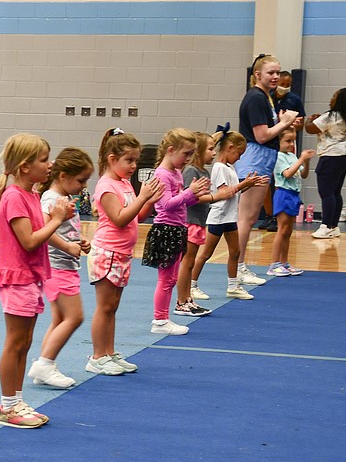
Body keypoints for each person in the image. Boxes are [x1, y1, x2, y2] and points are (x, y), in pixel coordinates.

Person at [0, 134, 74, 426]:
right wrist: (56, 219)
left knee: (25, 342)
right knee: (15, 342)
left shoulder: (31, 195)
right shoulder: (14, 196)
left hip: (30, 276)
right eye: (43, 160)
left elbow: (42, 234)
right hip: (17, 277)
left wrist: (59, 224)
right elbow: (28, 241)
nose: (49, 165)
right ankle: (7, 406)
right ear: (25, 167)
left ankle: (16, 400)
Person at [85, 128, 161, 377]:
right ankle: (97, 356)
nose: (133, 166)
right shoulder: (106, 187)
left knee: (113, 306)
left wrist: (148, 201)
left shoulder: (125, 183)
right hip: (107, 252)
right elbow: (118, 219)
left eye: (135, 160)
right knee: (104, 306)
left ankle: (109, 352)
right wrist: (143, 198)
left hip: (122, 253)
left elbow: (136, 217)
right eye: (129, 160)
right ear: (111, 159)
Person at [28, 147, 93, 389]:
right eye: (81, 180)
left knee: (59, 319)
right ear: (63, 176)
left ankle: (43, 363)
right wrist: (67, 246)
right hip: (57, 267)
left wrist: (78, 242)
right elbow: (43, 231)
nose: (84, 186)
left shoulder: (62, 198)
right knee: (75, 317)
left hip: (62, 264)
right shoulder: (51, 199)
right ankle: (46, 364)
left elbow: (61, 229)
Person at [234, 54, 300, 284]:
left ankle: (240, 265)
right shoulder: (255, 98)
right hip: (255, 158)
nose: (276, 77)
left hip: (263, 158)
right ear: (257, 74)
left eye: (278, 72)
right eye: (271, 73)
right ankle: (238, 267)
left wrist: (284, 122)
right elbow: (262, 136)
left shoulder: (266, 98)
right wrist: (283, 123)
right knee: (246, 217)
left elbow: (268, 130)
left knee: (249, 217)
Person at [142, 128, 210, 335]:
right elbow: (167, 205)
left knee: (171, 279)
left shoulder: (176, 173)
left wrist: (193, 195)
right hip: (166, 230)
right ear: (170, 150)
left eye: (191, 154)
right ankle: (160, 321)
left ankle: (163, 318)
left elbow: (180, 202)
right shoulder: (162, 174)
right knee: (166, 279)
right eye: (186, 154)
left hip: (177, 228)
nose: (188, 159)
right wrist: (190, 192)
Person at [191, 129, 270, 301]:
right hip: (219, 217)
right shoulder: (219, 168)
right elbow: (225, 193)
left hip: (230, 217)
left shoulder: (230, 167)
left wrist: (250, 184)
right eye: (239, 153)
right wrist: (244, 184)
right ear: (230, 148)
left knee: (235, 251)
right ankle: (192, 285)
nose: (240, 158)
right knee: (206, 253)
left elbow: (235, 193)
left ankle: (233, 286)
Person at [175, 132, 218, 316]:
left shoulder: (204, 171)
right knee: (187, 261)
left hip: (199, 221)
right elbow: (188, 196)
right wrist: (216, 197)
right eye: (210, 149)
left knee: (190, 262)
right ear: (199, 151)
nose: (214, 153)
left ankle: (187, 298)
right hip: (189, 221)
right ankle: (181, 301)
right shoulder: (191, 171)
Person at [307, 87, 346, 239]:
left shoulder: (331, 115)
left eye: (334, 97)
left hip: (332, 156)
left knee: (326, 192)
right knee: (335, 191)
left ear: (340, 101)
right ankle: (334, 226)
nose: (331, 99)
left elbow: (310, 129)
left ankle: (326, 226)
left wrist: (310, 120)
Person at [267, 129, 314, 277]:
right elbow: (287, 174)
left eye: (293, 141)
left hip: (294, 194)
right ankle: (274, 264)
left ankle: (284, 262)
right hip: (283, 194)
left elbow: (304, 174)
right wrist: (301, 159)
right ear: (278, 142)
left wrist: (305, 163)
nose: (291, 144)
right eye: (287, 141)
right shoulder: (279, 157)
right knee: (282, 229)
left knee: (288, 231)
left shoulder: (292, 156)